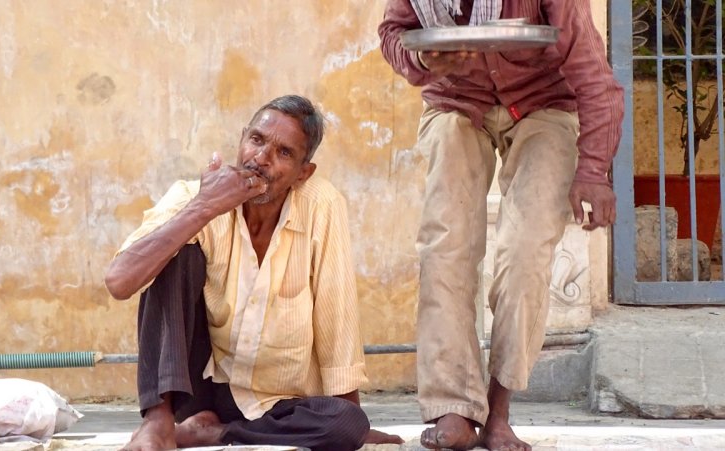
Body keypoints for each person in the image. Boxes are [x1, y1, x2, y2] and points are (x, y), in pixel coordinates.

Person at [378, 1, 624, 450]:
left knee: (525, 252)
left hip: (544, 104)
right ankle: (453, 408)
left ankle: (500, 408)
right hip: (456, 102)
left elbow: (593, 75)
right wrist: (422, 59)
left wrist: (593, 169)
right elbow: (394, 35)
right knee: (445, 249)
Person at [105, 95, 403, 451]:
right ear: (242, 138)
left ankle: (212, 434)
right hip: (196, 384)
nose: (260, 159)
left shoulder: (321, 206)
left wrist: (351, 422)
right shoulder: (195, 195)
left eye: (284, 153)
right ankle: (158, 420)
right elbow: (120, 281)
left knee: (347, 424)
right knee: (174, 248)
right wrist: (205, 206)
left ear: (302, 173)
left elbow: (335, 313)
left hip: (276, 401)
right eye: (257, 140)